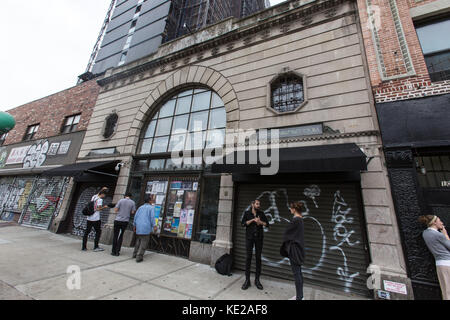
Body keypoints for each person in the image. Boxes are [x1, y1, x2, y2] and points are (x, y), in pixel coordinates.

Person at [418, 215, 450, 300]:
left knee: (446, 289)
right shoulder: (439, 235)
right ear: (434, 222)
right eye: (440, 221)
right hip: (447, 263)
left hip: (439, 264)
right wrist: (445, 234)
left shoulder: (425, 233)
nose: (442, 223)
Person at [241, 199, 269, 290]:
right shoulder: (247, 213)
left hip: (259, 239)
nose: (258, 205)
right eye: (257, 204)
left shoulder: (261, 213)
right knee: (248, 258)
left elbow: (267, 224)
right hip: (249, 238)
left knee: (258, 258)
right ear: (252, 204)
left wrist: (260, 222)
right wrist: (253, 220)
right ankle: (247, 280)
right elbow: (243, 224)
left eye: (259, 204)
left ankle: (257, 281)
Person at [280, 201, 306, 300]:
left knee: (297, 274)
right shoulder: (300, 219)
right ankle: (300, 296)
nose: (290, 209)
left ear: (294, 209)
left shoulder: (296, 220)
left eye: (291, 208)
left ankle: (299, 298)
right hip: (298, 249)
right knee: (298, 272)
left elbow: (287, 233)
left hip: (295, 250)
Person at [133, 195, 157, 263]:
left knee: (138, 241)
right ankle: (139, 256)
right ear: (149, 201)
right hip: (145, 227)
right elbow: (152, 218)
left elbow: (136, 216)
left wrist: (134, 225)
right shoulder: (151, 208)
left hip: (138, 226)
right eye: (151, 200)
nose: (152, 201)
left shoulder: (140, 207)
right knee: (144, 242)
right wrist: (154, 226)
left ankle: (135, 253)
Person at [111, 192, 136, 256]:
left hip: (118, 220)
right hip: (125, 221)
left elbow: (116, 210)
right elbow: (133, 212)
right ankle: (117, 251)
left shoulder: (120, 201)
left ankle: (113, 251)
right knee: (121, 236)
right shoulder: (132, 202)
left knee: (115, 235)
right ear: (130, 196)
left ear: (125, 196)